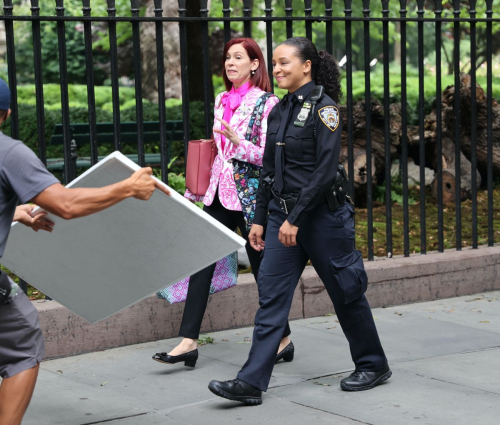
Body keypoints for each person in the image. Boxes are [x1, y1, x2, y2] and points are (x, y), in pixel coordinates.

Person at [208, 37, 391, 405]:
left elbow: (324, 172)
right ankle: (251, 383)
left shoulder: (327, 110)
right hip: (281, 219)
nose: (276, 69)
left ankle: (373, 364)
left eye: (284, 62)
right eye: (273, 63)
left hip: (323, 218)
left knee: (346, 292)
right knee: (271, 298)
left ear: (306, 66)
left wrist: (294, 217)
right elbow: (268, 170)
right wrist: (260, 218)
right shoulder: (278, 110)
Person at [0, 77, 170, 425]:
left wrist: (13, 211)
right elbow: (64, 205)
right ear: (5, 113)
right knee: (23, 343)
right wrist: (128, 187)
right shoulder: (8, 152)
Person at [152, 38, 295, 368]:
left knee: (262, 269)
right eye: (227, 57)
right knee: (201, 258)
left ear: (255, 64)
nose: (230, 63)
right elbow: (218, 151)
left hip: (250, 196)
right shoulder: (221, 100)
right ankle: (188, 341)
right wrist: (201, 187)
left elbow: (269, 157)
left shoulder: (268, 103)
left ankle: (283, 339)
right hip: (218, 193)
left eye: (238, 57)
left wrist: (239, 143)